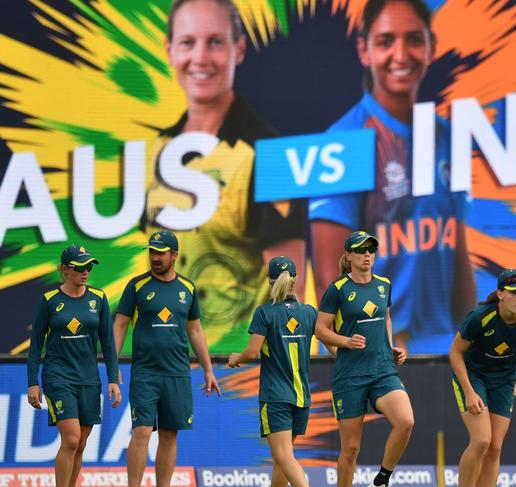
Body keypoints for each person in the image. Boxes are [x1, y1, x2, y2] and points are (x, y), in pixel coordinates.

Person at [309, 0, 475, 354]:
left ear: (430, 45)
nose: (401, 54)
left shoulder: (448, 136)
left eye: (413, 39)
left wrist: (472, 342)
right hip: (378, 355)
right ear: (364, 50)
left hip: (444, 357)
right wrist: (362, 355)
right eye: (385, 41)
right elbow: (329, 284)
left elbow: (456, 254)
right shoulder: (342, 145)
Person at [145, 0, 307, 354]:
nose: (200, 57)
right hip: (166, 358)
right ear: (169, 50)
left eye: (215, 41)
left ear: (239, 49)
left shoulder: (271, 155)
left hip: (239, 367)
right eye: (188, 42)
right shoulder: (155, 150)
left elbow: (290, 287)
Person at [113, 230, 221, 487]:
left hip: (177, 373)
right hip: (145, 373)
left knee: (170, 435)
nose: (155, 257)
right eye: (152, 251)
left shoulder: (187, 288)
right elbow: (119, 325)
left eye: (161, 253)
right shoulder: (136, 286)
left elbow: (195, 329)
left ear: (174, 256)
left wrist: (208, 369)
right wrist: (112, 365)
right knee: (141, 432)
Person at [315, 230, 413, 487]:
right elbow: (321, 329)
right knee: (350, 448)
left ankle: (382, 479)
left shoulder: (384, 284)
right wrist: (346, 342)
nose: (367, 254)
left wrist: (390, 346)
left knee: (405, 421)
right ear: (348, 256)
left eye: (371, 249)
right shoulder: (337, 289)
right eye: (360, 250)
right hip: (351, 374)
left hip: (383, 370)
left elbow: (386, 319)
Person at [27, 244, 121, 487]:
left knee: (80, 444)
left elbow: (108, 343)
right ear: (64, 269)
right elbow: (36, 344)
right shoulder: (48, 300)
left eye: (89, 266)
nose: (86, 271)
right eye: (80, 267)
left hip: (89, 379)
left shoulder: (98, 298)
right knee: (71, 439)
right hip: (58, 377)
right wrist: (32, 382)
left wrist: (113, 378)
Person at [449, 269, 516, 487]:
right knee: (482, 440)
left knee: (495, 447)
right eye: (514, 292)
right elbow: (455, 353)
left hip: (504, 378)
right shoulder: (480, 317)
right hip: (473, 375)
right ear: (500, 294)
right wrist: (469, 392)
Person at [228, 256, 317, 487]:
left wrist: (235, 359)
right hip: (301, 397)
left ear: (270, 281)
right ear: (295, 281)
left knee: (284, 457)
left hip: (276, 397)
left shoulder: (265, 312)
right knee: (282, 459)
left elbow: (251, 352)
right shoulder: (308, 312)